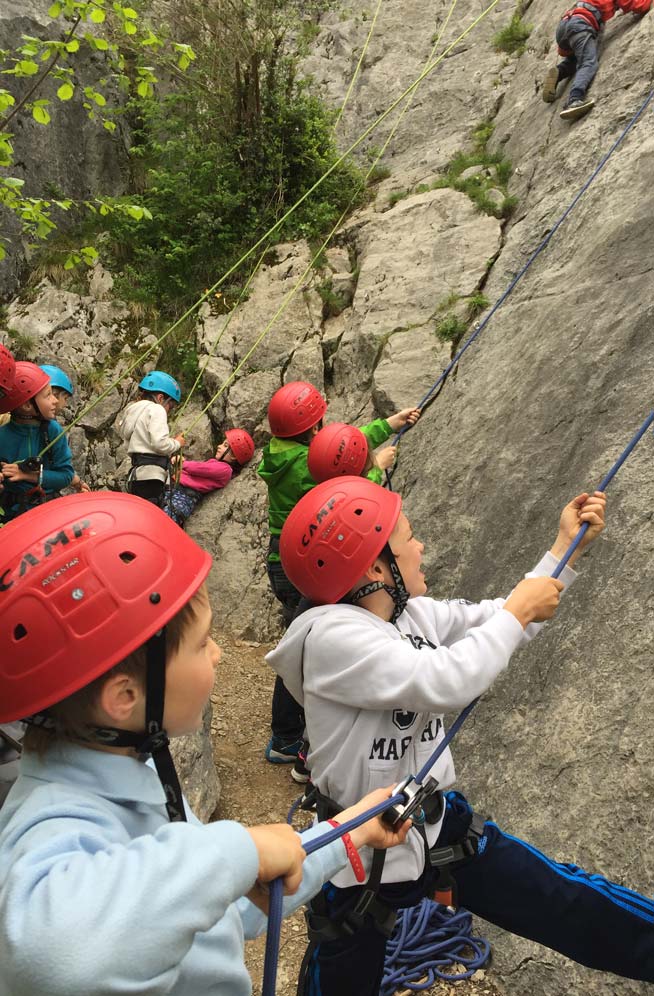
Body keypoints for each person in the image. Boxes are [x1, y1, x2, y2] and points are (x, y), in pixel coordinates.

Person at [0, 492, 412, 996]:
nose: (218, 655)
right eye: (202, 642)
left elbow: (224, 901)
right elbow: (53, 956)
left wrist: (351, 831)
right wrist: (236, 851)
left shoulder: (133, 775)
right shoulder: (55, 825)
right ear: (125, 697)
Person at [268, 476, 654, 995]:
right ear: (374, 567)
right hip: (359, 848)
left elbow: (498, 621)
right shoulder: (331, 637)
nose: (419, 545)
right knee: (341, 974)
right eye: (407, 538)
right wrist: (517, 613)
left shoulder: (414, 614)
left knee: (561, 899)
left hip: (435, 821)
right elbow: (445, 679)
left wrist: (564, 551)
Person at [258, 380, 419, 778]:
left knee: (305, 639)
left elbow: (344, 446)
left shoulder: (284, 453)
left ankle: (292, 736)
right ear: (313, 429)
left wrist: (387, 424)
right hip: (309, 565)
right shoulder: (304, 469)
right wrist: (375, 469)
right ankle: (289, 739)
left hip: (285, 560)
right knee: (307, 647)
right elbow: (349, 491)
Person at [542, 1, 651, 121]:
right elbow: (637, 5)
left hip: (566, 24)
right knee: (588, 62)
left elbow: (564, 51)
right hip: (581, 24)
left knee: (582, 55)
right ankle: (574, 99)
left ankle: (560, 71)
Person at [0, 361, 74, 522]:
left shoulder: (52, 431)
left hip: (45, 513)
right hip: (12, 515)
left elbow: (66, 475)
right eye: (48, 395)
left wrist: (28, 475)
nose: (55, 400)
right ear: (27, 405)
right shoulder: (2, 436)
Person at [117, 370, 185, 507]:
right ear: (160, 398)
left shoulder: (132, 411)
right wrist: (177, 443)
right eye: (169, 407)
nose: (168, 411)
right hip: (152, 477)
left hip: (136, 476)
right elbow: (160, 444)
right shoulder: (157, 409)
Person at [163, 428, 255, 527]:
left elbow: (199, 469)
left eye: (225, 446)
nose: (219, 446)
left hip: (183, 497)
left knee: (164, 522)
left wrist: (182, 463)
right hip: (175, 491)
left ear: (233, 456)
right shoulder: (215, 464)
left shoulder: (226, 470)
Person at [39, 364, 90, 493]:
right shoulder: (52, 429)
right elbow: (63, 473)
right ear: (54, 395)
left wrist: (77, 481)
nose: (64, 404)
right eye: (65, 398)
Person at [308, 422, 397, 485]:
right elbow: (360, 493)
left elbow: (349, 438)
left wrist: (387, 425)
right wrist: (378, 466)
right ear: (315, 428)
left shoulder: (314, 458)